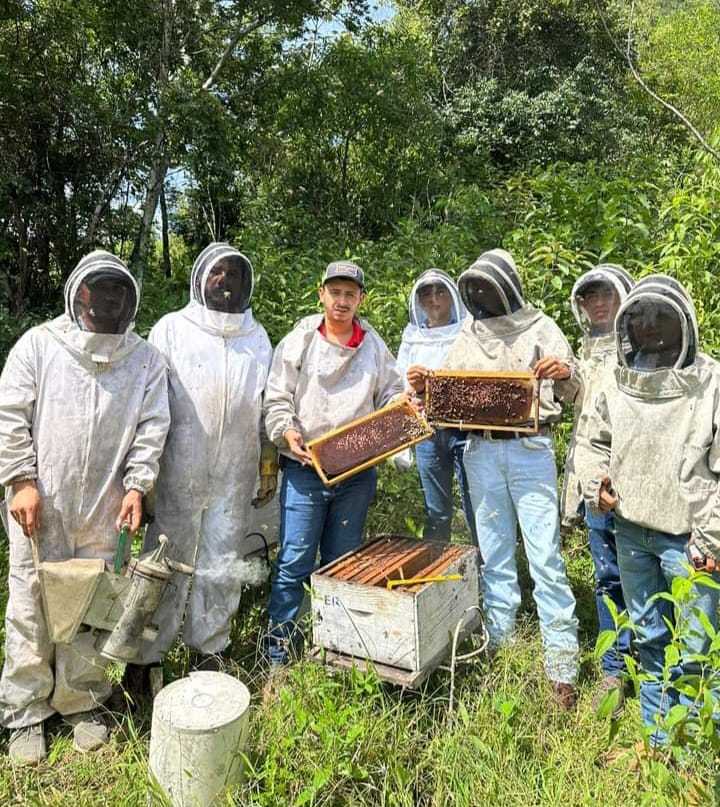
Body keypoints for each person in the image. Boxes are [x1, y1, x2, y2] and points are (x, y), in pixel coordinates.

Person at [0, 251, 170, 764]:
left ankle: (83, 699)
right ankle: (26, 708)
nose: (109, 298)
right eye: (99, 288)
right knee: (32, 602)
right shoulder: (39, 345)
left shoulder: (144, 359)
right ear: (79, 293)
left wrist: (138, 486)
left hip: (106, 504)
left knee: (92, 603)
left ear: (129, 298)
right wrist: (20, 479)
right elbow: (10, 414)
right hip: (41, 502)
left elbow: (151, 427)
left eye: (117, 289)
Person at [408, 248, 580, 708]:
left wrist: (564, 371)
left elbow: (575, 387)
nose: (482, 295)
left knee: (545, 556)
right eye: (476, 289)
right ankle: (501, 646)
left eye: (488, 287)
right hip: (480, 451)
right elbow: (448, 393)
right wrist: (428, 385)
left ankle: (561, 665)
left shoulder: (542, 327)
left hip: (530, 450)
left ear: (508, 285)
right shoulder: (469, 332)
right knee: (495, 553)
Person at [582, 275, 720, 747]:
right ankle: (660, 743)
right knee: (648, 637)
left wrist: (712, 539)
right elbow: (592, 441)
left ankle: (699, 750)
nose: (653, 329)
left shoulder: (711, 381)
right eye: (643, 320)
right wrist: (593, 483)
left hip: (690, 540)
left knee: (699, 647)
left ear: (685, 324)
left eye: (663, 319)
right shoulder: (617, 379)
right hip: (631, 531)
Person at [135, 243, 274, 675]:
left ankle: (210, 649)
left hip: (235, 474)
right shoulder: (171, 329)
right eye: (218, 273)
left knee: (222, 564)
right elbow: (150, 403)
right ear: (200, 278)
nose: (226, 282)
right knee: (162, 562)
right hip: (178, 471)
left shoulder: (258, 337)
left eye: (234, 274)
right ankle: (145, 657)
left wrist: (267, 464)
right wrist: (147, 478)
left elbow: (268, 405)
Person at [263, 260, 404, 668]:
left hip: (356, 473)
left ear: (361, 299)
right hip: (305, 469)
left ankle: (336, 651)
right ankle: (279, 657)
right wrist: (286, 432)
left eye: (350, 294)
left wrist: (399, 409)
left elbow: (392, 391)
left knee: (343, 565)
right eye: (335, 292)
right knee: (294, 564)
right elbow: (276, 398)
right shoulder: (301, 340)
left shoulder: (373, 345)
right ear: (321, 294)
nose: (342, 301)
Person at [557, 265, 634, 711]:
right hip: (594, 480)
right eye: (590, 298)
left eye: (605, 294)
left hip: (638, 483)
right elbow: (573, 396)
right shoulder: (588, 349)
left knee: (650, 575)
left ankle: (662, 662)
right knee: (607, 576)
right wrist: (560, 372)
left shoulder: (644, 344)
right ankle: (614, 669)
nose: (598, 303)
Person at [397, 269, 478, 544]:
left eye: (440, 292)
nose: (434, 300)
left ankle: (481, 569)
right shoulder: (412, 335)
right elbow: (400, 385)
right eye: (427, 294)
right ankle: (439, 568)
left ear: (452, 297)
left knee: (474, 503)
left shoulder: (468, 332)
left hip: (463, 429)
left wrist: (430, 383)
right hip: (426, 430)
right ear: (418, 302)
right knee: (436, 510)